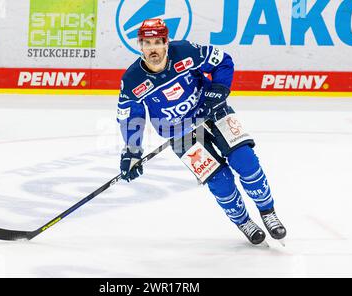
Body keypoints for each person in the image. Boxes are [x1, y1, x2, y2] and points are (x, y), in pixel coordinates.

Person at [116, 18, 286, 245]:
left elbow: (223, 61)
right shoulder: (132, 80)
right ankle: (243, 221)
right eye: (147, 43)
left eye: (158, 42)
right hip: (179, 133)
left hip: (214, 112)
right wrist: (132, 151)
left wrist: (217, 91)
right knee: (220, 181)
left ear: (166, 42)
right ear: (140, 46)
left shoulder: (186, 52)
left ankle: (267, 212)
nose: (153, 48)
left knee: (245, 161)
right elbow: (131, 116)